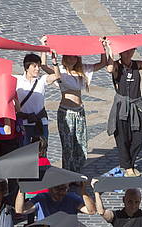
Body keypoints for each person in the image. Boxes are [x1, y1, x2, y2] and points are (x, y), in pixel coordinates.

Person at [46, 40, 107, 173]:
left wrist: (103, 48)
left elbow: (103, 64)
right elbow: (44, 66)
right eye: (70, 56)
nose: (73, 59)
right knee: (68, 147)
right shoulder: (60, 71)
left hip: (79, 111)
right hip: (66, 112)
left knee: (81, 144)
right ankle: (67, 174)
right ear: (65, 58)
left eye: (75, 56)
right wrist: (47, 49)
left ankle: (77, 172)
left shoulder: (82, 70)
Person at [105, 44, 142, 177]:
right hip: (122, 106)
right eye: (126, 51)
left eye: (131, 50)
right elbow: (109, 69)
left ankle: (131, 162)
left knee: (138, 138)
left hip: (136, 106)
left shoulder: (137, 64)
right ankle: (128, 166)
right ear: (121, 52)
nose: (128, 53)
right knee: (122, 137)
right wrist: (109, 50)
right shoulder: (117, 65)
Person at [15, 50, 59, 147]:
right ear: (27, 67)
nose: (38, 69)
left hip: (40, 123)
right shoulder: (16, 80)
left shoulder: (42, 80)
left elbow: (57, 76)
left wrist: (55, 62)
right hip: (23, 124)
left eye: (39, 66)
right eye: (34, 66)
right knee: (23, 154)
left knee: (41, 152)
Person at [15, 181, 96, 220]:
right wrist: (22, 188)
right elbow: (20, 210)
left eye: (64, 189)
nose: (61, 192)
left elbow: (91, 211)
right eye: (57, 189)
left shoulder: (72, 198)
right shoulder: (41, 198)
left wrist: (83, 191)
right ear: (50, 189)